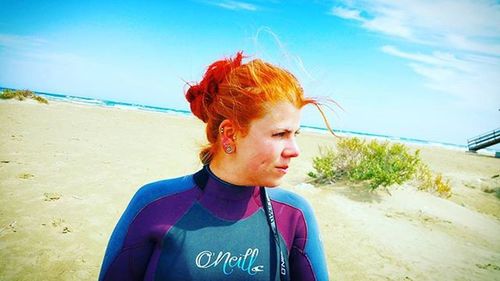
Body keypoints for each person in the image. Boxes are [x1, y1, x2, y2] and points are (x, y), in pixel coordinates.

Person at [99, 52, 330, 280]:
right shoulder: (153, 204)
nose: (295, 150)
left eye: (295, 134)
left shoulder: (294, 214)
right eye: (280, 134)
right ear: (229, 135)